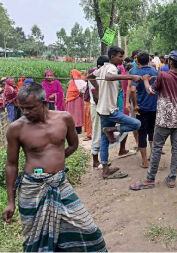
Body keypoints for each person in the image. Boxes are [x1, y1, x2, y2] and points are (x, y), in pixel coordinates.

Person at [2, 83, 107, 252]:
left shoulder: (64, 118)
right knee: (36, 242)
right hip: (32, 190)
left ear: (44, 102)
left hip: (59, 184)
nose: (26, 112)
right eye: (22, 108)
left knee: (89, 230)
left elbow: (73, 145)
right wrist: (10, 201)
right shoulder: (16, 128)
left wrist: (54, 164)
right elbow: (11, 165)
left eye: (30, 108)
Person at [130, 50, 177, 190]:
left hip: (164, 119)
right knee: (176, 149)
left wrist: (145, 80)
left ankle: (150, 179)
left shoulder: (163, 75)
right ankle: (172, 178)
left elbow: (151, 92)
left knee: (157, 148)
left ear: (169, 62)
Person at [87, 46, 142, 179]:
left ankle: (105, 168)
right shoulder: (111, 68)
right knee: (136, 124)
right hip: (110, 110)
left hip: (102, 108)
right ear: (112, 57)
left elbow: (89, 76)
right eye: (119, 56)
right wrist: (131, 76)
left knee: (105, 139)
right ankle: (112, 129)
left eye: (122, 56)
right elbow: (108, 77)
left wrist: (99, 88)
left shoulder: (102, 68)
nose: (122, 59)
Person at [130, 51, 158, 168]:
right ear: (148, 60)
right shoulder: (155, 72)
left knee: (142, 132)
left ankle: (144, 161)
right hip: (154, 106)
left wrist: (135, 104)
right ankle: (152, 155)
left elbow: (132, 90)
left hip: (142, 106)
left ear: (138, 61)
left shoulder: (136, 73)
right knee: (152, 131)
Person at [65, 69, 86, 134]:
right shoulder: (71, 82)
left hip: (77, 100)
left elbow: (84, 87)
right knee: (71, 114)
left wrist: (81, 93)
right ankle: (72, 128)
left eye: (71, 73)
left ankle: (78, 128)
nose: (70, 75)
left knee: (77, 114)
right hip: (71, 100)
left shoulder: (79, 81)